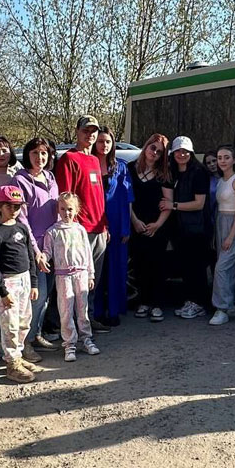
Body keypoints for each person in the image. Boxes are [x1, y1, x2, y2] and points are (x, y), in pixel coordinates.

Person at [54, 115, 110, 333]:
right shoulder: (69, 159)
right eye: (86, 130)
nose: (90, 135)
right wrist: (72, 228)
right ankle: (70, 325)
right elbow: (65, 197)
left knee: (91, 280)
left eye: (93, 131)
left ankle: (88, 318)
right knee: (75, 281)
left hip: (99, 229)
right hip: (80, 230)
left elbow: (99, 197)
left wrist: (105, 225)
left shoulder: (95, 160)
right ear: (77, 132)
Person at [0, 186, 42, 383]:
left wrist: (34, 283)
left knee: (24, 321)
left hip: (24, 279)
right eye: (9, 206)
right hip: (8, 281)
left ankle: (18, 355)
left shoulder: (22, 228)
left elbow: (30, 256)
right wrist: (3, 291)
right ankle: (11, 363)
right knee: (9, 323)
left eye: (17, 206)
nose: (14, 210)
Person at [10, 138, 59, 352]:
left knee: (46, 296)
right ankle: (25, 342)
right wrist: (37, 251)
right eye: (35, 153)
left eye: (44, 153)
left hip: (52, 246)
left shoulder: (50, 177)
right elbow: (22, 220)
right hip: (34, 248)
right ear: (27, 155)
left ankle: (36, 334)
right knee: (36, 296)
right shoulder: (19, 180)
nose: (40, 157)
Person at [40, 192, 100, 362]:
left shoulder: (80, 230)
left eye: (70, 209)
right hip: (63, 276)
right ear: (58, 210)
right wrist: (43, 257)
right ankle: (69, 344)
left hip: (81, 274)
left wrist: (90, 274)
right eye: (63, 209)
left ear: (76, 210)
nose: (67, 212)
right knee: (66, 310)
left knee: (82, 309)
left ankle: (86, 339)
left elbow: (88, 253)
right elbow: (47, 251)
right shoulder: (52, 231)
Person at [128, 134, 174, 323]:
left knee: (157, 266)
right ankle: (143, 302)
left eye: (159, 151)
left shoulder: (165, 174)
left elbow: (168, 202)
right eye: (152, 148)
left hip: (157, 227)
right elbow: (127, 199)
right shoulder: (131, 169)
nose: (154, 153)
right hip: (136, 224)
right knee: (139, 265)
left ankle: (157, 305)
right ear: (146, 146)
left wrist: (157, 225)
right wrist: (135, 221)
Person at [165, 136, 210, 320]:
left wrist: (174, 206)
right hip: (180, 229)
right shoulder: (173, 172)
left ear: (191, 153)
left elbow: (199, 204)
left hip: (197, 229)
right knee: (186, 268)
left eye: (185, 151)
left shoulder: (199, 172)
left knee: (197, 268)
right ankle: (190, 301)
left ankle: (199, 304)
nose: (181, 154)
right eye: (178, 151)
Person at [94, 127, 134, 325]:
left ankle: (113, 310)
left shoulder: (121, 167)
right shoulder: (89, 164)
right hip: (95, 224)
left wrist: (126, 227)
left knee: (116, 269)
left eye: (108, 141)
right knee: (96, 270)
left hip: (117, 223)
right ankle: (96, 311)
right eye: (101, 141)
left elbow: (127, 198)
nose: (104, 145)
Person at [209, 145, 235, 325]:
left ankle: (221, 308)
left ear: (234, 160)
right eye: (219, 158)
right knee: (230, 267)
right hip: (220, 223)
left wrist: (231, 236)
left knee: (221, 268)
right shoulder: (220, 180)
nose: (222, 161)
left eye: (226, 157)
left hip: (234, 225)